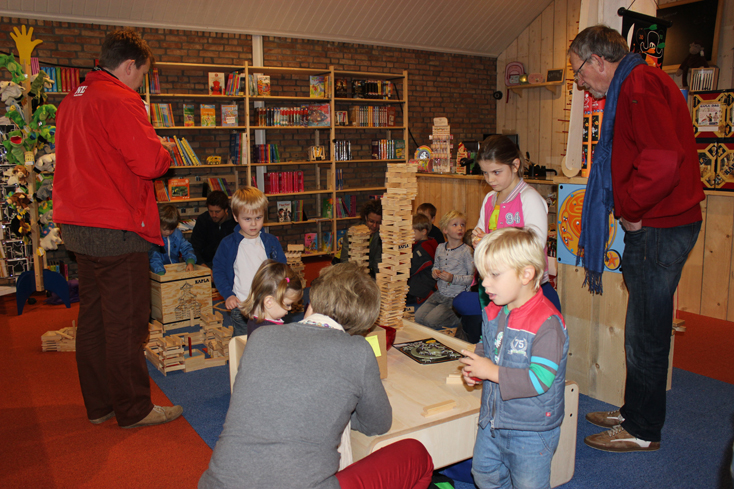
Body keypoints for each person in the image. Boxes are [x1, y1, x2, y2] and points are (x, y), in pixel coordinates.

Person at [569, 25, 704, 452]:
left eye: (578, 71)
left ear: (597, 60)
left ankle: (643, 430)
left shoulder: (639, 85)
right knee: (640, 327)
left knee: (646, 332)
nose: (580, 82)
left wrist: (631, 210)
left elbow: (663, 162)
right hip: (661, 222)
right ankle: (634, 412)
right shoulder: (635, 81)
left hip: (660, 224)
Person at [199, 262, 434, 489]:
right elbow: (378, 424)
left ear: (313, 299)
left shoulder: (260, 337)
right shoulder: (358, 350)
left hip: (217, 484)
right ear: (363, 322)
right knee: (417, 454)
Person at [54, 29, 183, 428]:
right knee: (127, 323)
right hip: (117, 228)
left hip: (79, 225)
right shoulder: (121, 99)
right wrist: (165, 150)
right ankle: (134, 409)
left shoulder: (72, 99)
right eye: (141, 74)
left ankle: (100, 406)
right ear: (129, 66)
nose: (140, 83)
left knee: (93, 320)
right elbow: (149, 163)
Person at [460, 227, 568, 489]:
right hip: (493, 420)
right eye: (483, 275)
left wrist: (491, 372)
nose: (484, 284)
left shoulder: (547, 323)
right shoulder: (495, 309)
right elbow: (488, 345)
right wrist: (477, 367)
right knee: (483, 472)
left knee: (528, 484)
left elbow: (539, 380)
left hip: (531, 430)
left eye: (494, 275)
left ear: (526, 274)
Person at [212, 186, 286, 337]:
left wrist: (283, 291)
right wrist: (228, 295)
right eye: (247, 219)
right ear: (235, 217)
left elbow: (282, 269)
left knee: (270, 339)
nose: (253, 224)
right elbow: (218, 271)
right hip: (240, 306)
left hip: (268, 305)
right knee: (243, 342)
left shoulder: (271, 242)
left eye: (258, 218)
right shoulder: (228, 244)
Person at [414, 210, 474, 331]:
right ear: (445, 230)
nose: (460, 228)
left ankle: (459, 316)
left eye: (462, 225)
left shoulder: (466, 251)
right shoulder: (440, 247)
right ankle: (447, 314)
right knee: (418, 317)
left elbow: (472, 279)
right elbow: (436, 266)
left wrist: (452, 278)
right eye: (455, 225)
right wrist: (435, 272)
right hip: (440, 294)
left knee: (430, 321)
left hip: (456, 297)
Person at [240, 259, 304, 337]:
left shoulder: (254, 320)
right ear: (269, 302)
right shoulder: (272, 331)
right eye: (288, 304)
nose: (290, 308)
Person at [190, 190, 236, 268]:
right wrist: (202, 264)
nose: (213, 215)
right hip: (207, 264)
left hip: (230, 264)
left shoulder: (235, 221)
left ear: (226, 209)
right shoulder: (202, 220)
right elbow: (194, 246)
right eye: (210, 211)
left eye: (217, 212)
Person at [338, 199, 382, 277]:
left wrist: (379, 279)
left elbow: (377, 260)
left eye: (378, 222)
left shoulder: (379, 234)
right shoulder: (353, 231)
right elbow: (345, 259)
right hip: (348, 269)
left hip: (367, 270)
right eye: (371, 221)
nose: (375, 226)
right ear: (366, 217)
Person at [148, 204, 196, 275]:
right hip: (159, 271)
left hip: (174, 270)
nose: (168, 232)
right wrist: (159, 272)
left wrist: (190, 261)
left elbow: (186, 247)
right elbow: (154, 257)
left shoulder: (177, 234)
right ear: (158, 224)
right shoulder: (154, 237)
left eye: (171, 229)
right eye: (164, 229)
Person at [406, 213, 438, 306]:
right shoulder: (426, 244)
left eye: (414, 231)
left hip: (420, 291)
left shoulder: (422, 249)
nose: (410, 234)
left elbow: (411, 268)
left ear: (424, 232)